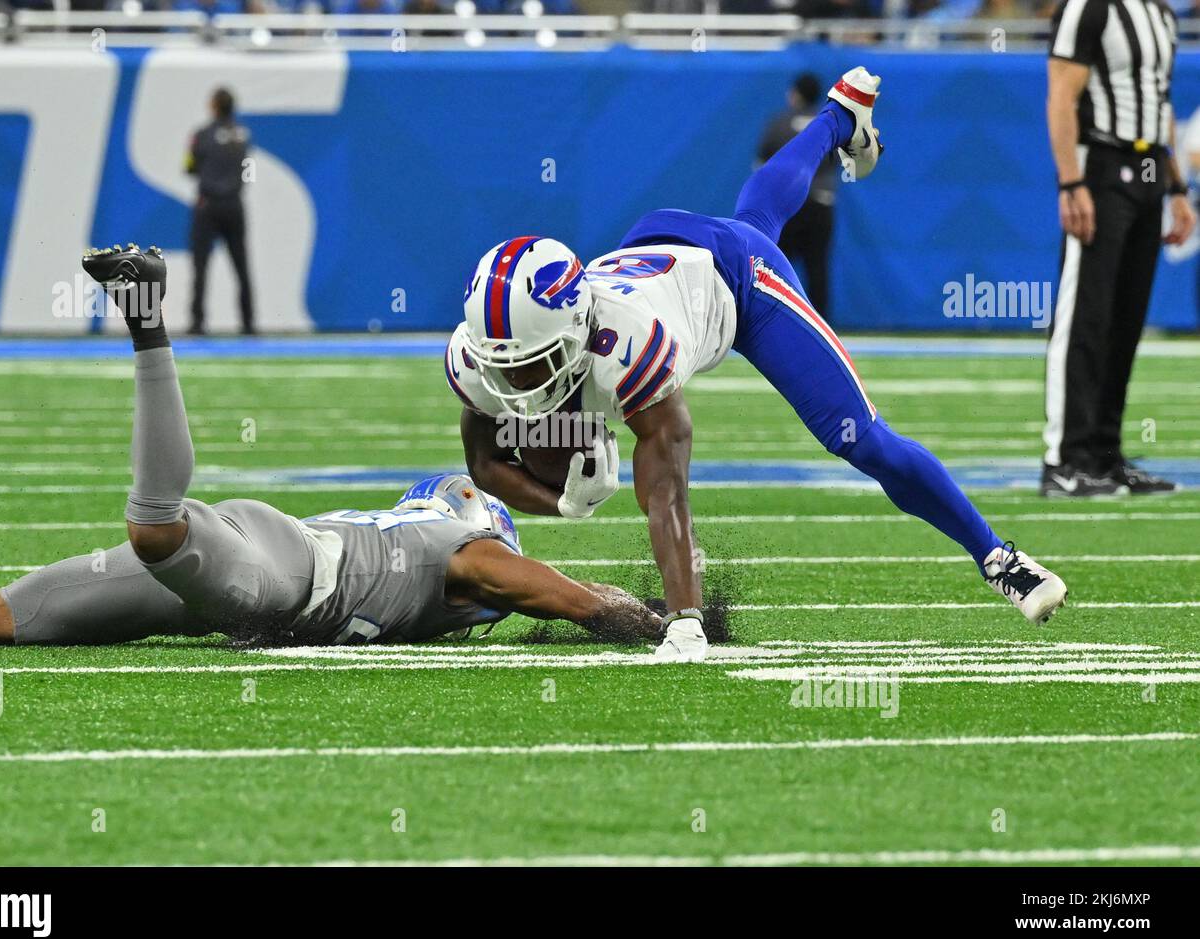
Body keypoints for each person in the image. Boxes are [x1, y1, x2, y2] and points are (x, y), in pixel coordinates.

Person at [445, 67, 1069, 664]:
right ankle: (836, 119)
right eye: (510, 368)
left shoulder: (626, 344)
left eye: (534, 365)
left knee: (859, 439)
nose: (519, 385)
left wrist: (686, 617)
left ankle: (999, 558)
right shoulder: (486, 353)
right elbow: (483, 462)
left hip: (739, 284)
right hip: (655, 244)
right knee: (756, 215)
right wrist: (560, 505)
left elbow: (666, 485)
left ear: (577, 329)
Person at [0, 246, 661, 649]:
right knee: (156, 527)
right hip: (284, 577)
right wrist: (659, 618)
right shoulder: (465, 550)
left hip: (245, 572)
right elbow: (554, 592)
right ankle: (146, 319)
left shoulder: (436, 538)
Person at [1042, 0, 1194, 496]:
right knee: (1085, 316)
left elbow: (1160, 102)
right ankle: (1064, 458)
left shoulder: (1161, 14)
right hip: (1101, 163)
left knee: (1125, 321)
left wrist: (1176, 189)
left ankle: (1105, 457)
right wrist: (1071, 182)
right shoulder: (1089, 7)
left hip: (1149, 168)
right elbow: (1061, 94)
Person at [756, 72, 837, 317]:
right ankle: (821, 327)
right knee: (817, 269)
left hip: (787, 205)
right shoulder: (827, 125)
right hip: (821, 203)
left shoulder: (780, 123)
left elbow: (761, 167)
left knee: (778, 269)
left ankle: (775, 322)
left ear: (796, 94)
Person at [186, 88, 256, 335]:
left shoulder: (202, 135)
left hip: (208, 205)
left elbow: (190, 167)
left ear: (214, 106)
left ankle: (197, 321)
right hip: (234, 204)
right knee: (241, 265)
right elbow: (248, 170)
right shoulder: (243, 135)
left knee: (201, 265)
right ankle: (248, 322)